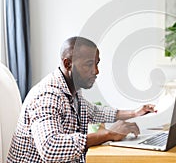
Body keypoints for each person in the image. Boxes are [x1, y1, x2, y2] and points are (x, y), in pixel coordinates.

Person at [7, 36, 156, 162]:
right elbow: (49, 147)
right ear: (68, 64)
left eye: (97, 63)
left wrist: (134, 113)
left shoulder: (72, 90)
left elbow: (94, 112)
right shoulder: (47, 96)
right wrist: (108, 134)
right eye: (89, 64)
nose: (96, 71)